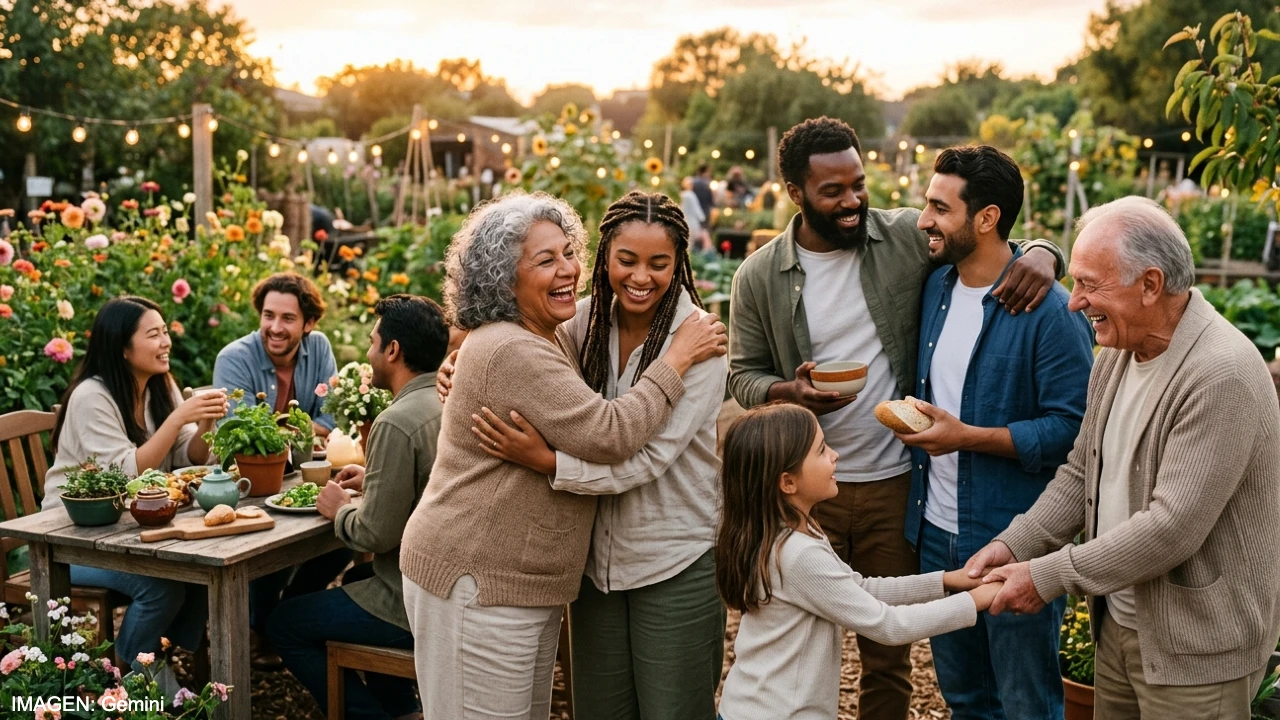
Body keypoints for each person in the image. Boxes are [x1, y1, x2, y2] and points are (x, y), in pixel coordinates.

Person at [726, 116, 1065, 720]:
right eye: (833, 192)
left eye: (859, 184)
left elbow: (985, 231)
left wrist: (1044, 252)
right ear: (796, 194)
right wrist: (789, 391)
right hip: (809, 490)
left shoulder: (905, 237)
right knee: (800, 635)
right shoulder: (760, 275)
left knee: (890, 661)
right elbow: (740, 377)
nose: (853, 201)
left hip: (895, 486)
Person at [398, 191, 727, 719]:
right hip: (518, 572)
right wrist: (459, 369)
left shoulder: (698, 342)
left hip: (666, 555)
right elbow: (607, 428)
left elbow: (641, 459)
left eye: (659, 263)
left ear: (678, 265)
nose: (641, 276)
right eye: (625, 259)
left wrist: (550, 463)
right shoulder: (577, 323)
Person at [968, 196, 1280, 719]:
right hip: (1121, 623)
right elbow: (1081, 471)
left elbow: (1171, 528)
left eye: (1090, 284)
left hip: (1197, 650)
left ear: (1151, 284)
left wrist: (1046, 575)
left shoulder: (1219, 374)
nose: (1073, 302)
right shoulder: (1116, 352)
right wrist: (1015, 543)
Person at [893, 146, 1094, 720]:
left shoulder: (1052, 311)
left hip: (1013, 535)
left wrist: (967, 437)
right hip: (936, 532)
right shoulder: (935, 287)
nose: (924, 219)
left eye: (939, 207)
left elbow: (1074, 432)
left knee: (1026, 704)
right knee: (965, 700)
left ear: (986, 218)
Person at [715, 402, 1002, 720]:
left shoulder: (786, 531)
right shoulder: (799, 555)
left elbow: (861, 588)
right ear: (788, 482)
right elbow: (888, 626)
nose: (835, 455)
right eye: (821, 450)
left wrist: (947, 581)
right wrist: (975, 600)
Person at [269, 294, 448, 720]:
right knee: (359, 572)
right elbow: (429, 487)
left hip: (412, 602)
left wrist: (338, 509)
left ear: (393, 350)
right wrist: (374, 482)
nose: (368, 354)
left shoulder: (396, 420)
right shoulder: (444, 402)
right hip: (441, 585)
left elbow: (374, 534)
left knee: (283, 623)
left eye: (372, 343)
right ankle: (402, 707)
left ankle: (368, 715)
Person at [46, 296, 224, 694]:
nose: (166, 343)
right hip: (70, 536)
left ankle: (156, 653)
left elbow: (185, 455)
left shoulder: (160, 385)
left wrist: (205, 418)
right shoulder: (92, 396)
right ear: (123, 348)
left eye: (165, 333)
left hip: (128, 527)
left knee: (201, 572)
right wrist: (180, 416)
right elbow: (126, 470)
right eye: (153, 335)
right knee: (161, 584)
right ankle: (131, 668)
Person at [212, 271, 347, 668]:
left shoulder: (318, 348)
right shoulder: (234, 358)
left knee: (345, 535)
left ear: (308, 324)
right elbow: (239, 436)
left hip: (299, 479)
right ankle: (257, 625)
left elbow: (333, 415)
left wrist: (289, 430)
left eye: (288, 318)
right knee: (268, 542)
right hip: (248, 486)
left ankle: (285, 614)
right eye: (268, 315)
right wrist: (305, 429)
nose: (275, 327)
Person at [680, 177, 712, 256]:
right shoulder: (691, 195)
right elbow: (696, 208)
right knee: (691, 243)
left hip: (683, 221)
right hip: (692, 223)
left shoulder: (681, 194)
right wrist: (702, 218)